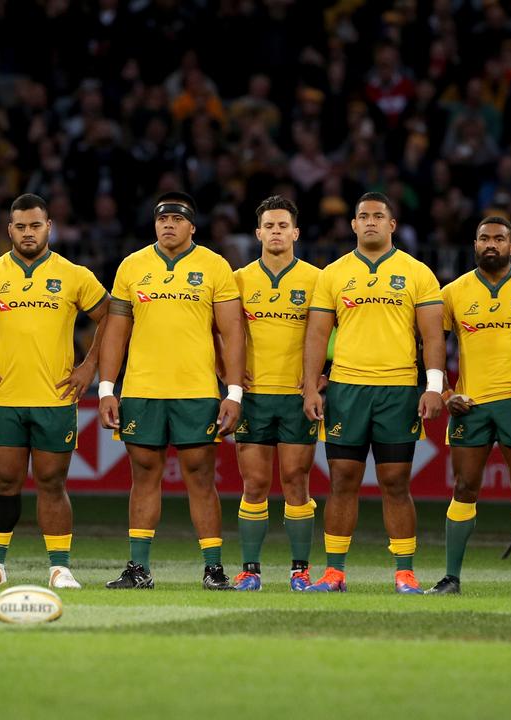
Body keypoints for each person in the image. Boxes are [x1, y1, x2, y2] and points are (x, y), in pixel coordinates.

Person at [0, 193, 109, 589]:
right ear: (9, 230)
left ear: (49, 228)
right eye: (21, 226)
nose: (28, 233)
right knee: (4, 483)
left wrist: (90, 365)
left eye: (36, 226)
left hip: (55, 398)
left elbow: (111, 315)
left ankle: (60, 568)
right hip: (3, 397)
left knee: (52, 483)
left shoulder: (75, 275)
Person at [98, 191, 245, 591]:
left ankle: (213, 569)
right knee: (143, 476)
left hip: (196, 391)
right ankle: (138, 569)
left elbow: (232, 334)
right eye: (162, 218)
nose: (168, 224)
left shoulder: (215, 266)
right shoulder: (132, 266)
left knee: (200, 477)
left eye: (177, 219)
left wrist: (233, 392)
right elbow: (116, 332)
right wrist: (107, 389)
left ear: (192, 226)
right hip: (143, 390)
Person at [302, 192, 446, 594]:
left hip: (398, 390)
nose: (370, 222)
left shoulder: (417, 272)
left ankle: (404, 573)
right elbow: (316, 334)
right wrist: (311, 385)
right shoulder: (333, 273)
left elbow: (432, 335)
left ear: (392, 225)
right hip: (347, 389)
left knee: (396, 482)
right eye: (363, 216)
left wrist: (433, 386)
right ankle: (333, 573)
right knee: (342, 479)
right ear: (353, 225)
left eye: (378, 216)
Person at [432, 215, 511, 597]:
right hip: (469, 407)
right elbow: (431, 347)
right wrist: (446, 393)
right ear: (474, 245)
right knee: (464, 486)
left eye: (499, 239)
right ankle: (451, 579)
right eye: (484, 238)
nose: (491, 244)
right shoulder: (452, 292)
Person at [230, 196, 322, 591]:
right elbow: (222, 334)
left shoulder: (318, 279)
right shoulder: (238, 279)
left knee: (296, 480)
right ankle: (250, 570)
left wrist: (324, 378)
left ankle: (299, 571)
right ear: (258, 233)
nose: (276, 232)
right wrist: (227, 375)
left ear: (295, 232)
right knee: (254, 484)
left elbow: (334, 334)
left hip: (296, 396)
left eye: (283, 226)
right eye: (269, 226)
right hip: (253, 396)